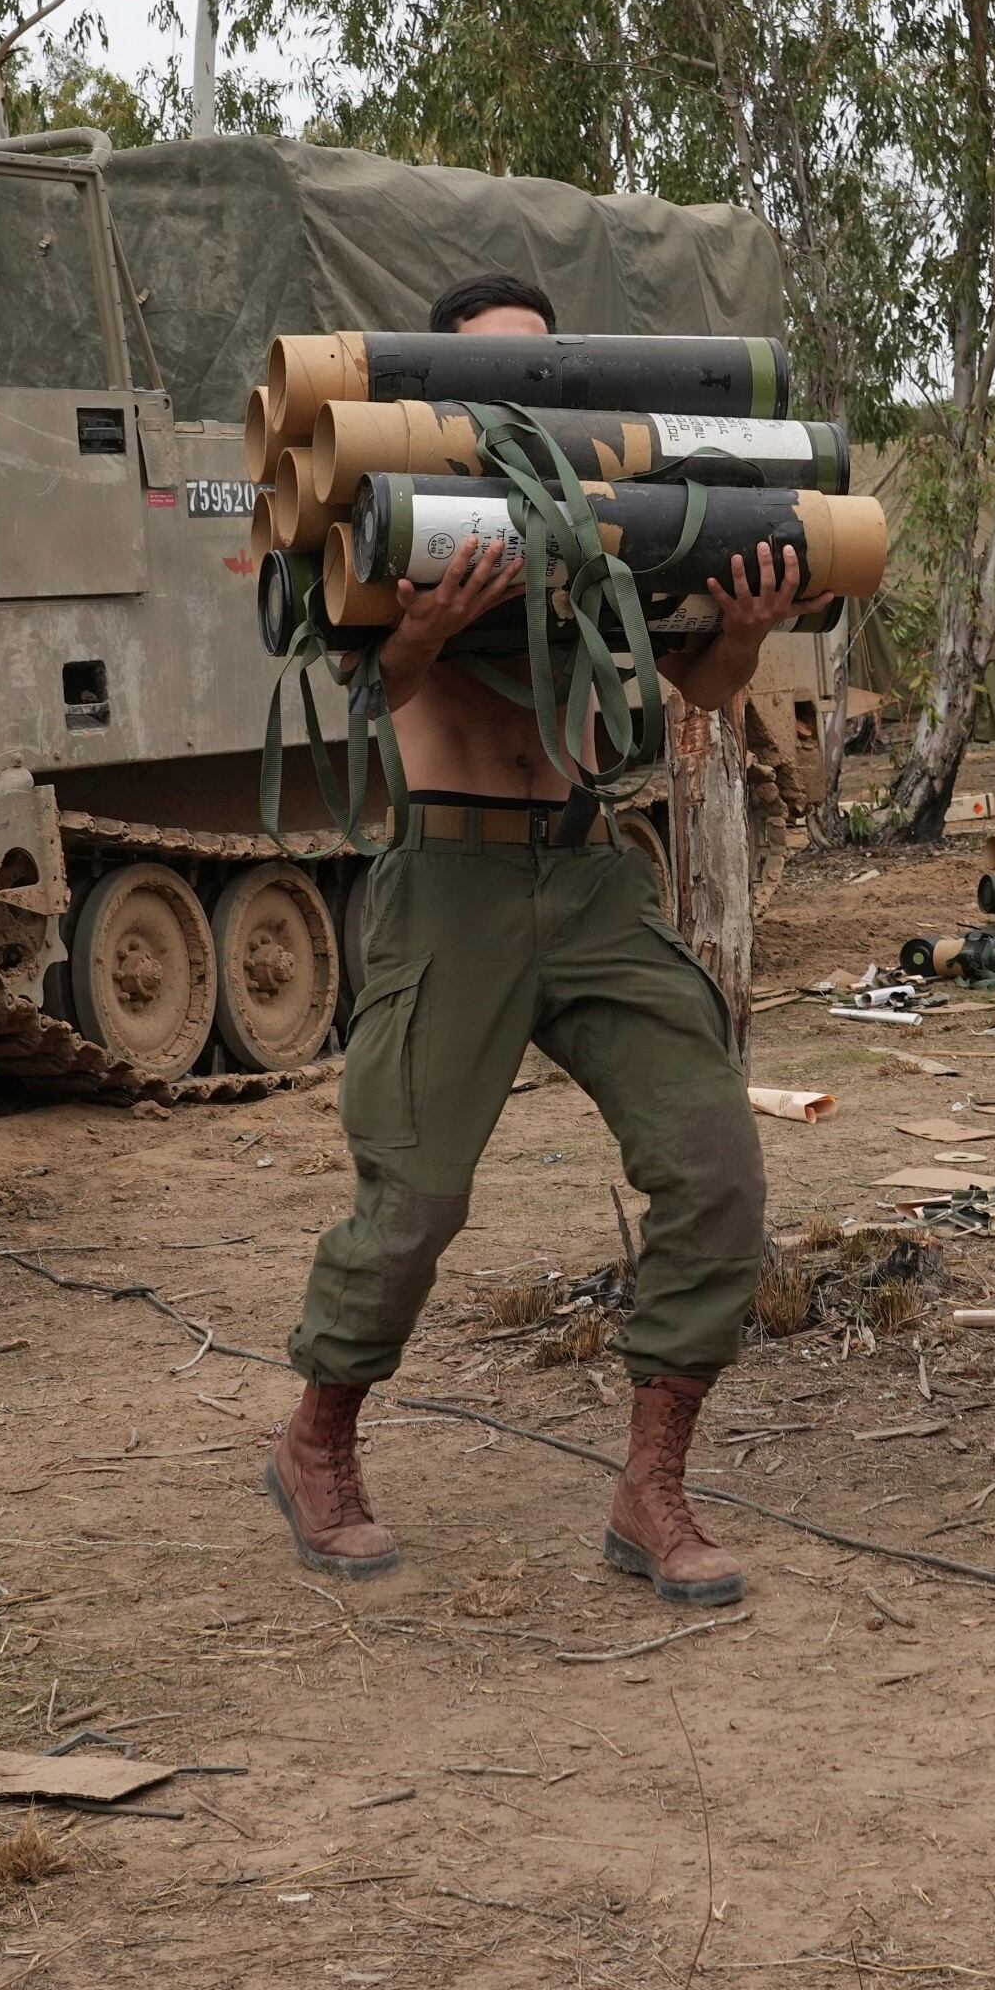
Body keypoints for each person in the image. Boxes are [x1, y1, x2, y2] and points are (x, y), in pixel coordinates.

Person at [270, 271, 810, 1608]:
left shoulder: (602, 501)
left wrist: (740, 637)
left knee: (718, 1171)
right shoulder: (396, 504)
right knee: (415, 1203)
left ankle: (652, 1490)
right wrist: (422, 637)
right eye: (486, 370)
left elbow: (697, 686)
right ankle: (317, 1444)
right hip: (450, 880)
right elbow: (361, 686)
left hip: (589, 878)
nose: (520, 392)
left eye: (540, 368)